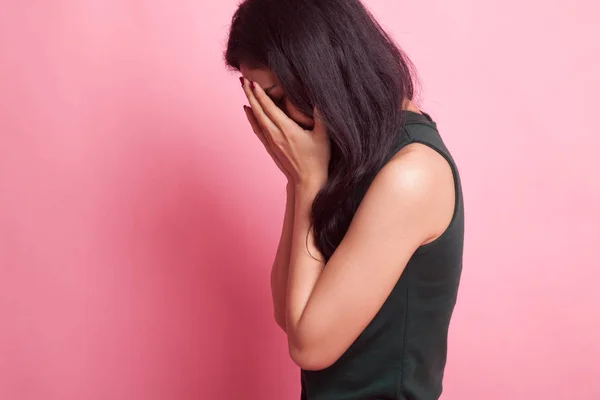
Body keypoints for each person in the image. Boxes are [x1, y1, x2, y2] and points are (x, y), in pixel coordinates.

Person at [223, 0, 464, 399]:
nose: (275, 120)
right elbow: (288, 313)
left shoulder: (410, 173)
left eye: (277, 99)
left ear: (320, 71)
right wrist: (297, 180)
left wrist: (308, 179)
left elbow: (309, 347)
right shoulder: (348, 154)